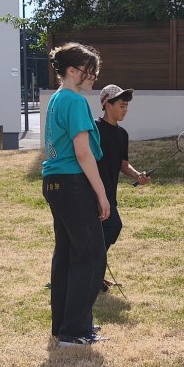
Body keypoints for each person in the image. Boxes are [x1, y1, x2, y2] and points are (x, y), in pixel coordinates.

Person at [42, 42, 110, 347]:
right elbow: (83, 154)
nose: (93, 76)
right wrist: (102, 194)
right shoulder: (75, 101)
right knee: (92, 253)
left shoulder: (57, 100)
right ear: (73, 71)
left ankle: (64, 328)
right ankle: (74, 331)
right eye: (89, 70)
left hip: (54, 182)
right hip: (72, 182)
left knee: (68, 254)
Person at [95, 84, 150, 291]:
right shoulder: (94, 130)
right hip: (92, 192)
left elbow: (123, 165)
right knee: (103, 231)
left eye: (126, 106)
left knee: (110, 230)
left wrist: (137, 175)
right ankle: (91, 276)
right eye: (121, 105)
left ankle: (95, 274)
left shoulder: (122, 134)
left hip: (110, 193)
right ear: (107, 105)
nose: (125, 110)